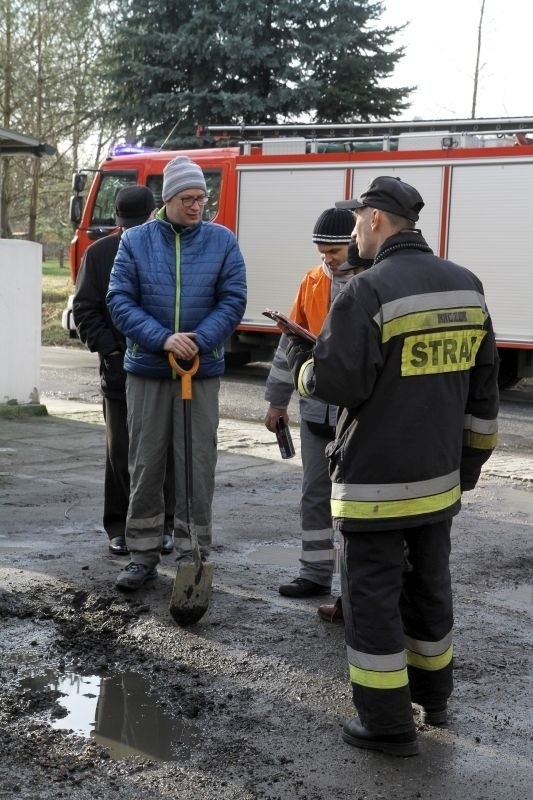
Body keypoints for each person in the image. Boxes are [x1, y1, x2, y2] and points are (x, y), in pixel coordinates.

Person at [285, 176, 499, 756]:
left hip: (375, 482)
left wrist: (308, 364)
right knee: (430, 582)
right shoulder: (467, 286)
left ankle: (385, 722)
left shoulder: (366, 291)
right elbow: (484, 396)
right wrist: (466, 470)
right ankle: (434, 693)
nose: (353, 232)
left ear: (377, 220)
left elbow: (338, 383)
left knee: (372, 593)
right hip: (439, 481)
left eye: (357, 221)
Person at [107, 156, 247, 591]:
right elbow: (119, 300)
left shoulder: (222, 241)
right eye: (188, 198)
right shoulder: (135, 242)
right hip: (149, 370)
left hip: (200, 373)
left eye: (202, 198)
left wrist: (199, 340)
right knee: (146, 461)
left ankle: (193, 552)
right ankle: (143, 554)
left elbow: (233, 298)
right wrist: (164, 339)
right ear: (167, 200)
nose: (197, 206)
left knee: (197, 463)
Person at [264, 209, 372, 599]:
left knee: (353, 505)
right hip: (315, 414)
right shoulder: (311, 281)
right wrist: (276, 403)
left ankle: (352, 589)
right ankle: (314, 573)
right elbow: (287, 344)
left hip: (355, 416)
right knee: (314, 494)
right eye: (323, 252)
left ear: (354, 244)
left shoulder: (371, 281)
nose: (328, 258)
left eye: (335, 251)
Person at [73, 185, 175, 557]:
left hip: (159, 366)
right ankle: (119, 526)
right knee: (120, 451)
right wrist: (111, 351)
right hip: (118, 372)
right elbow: (85, 309)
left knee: (162, 449)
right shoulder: (98, 254)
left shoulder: (164, 247)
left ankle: (162, 525)